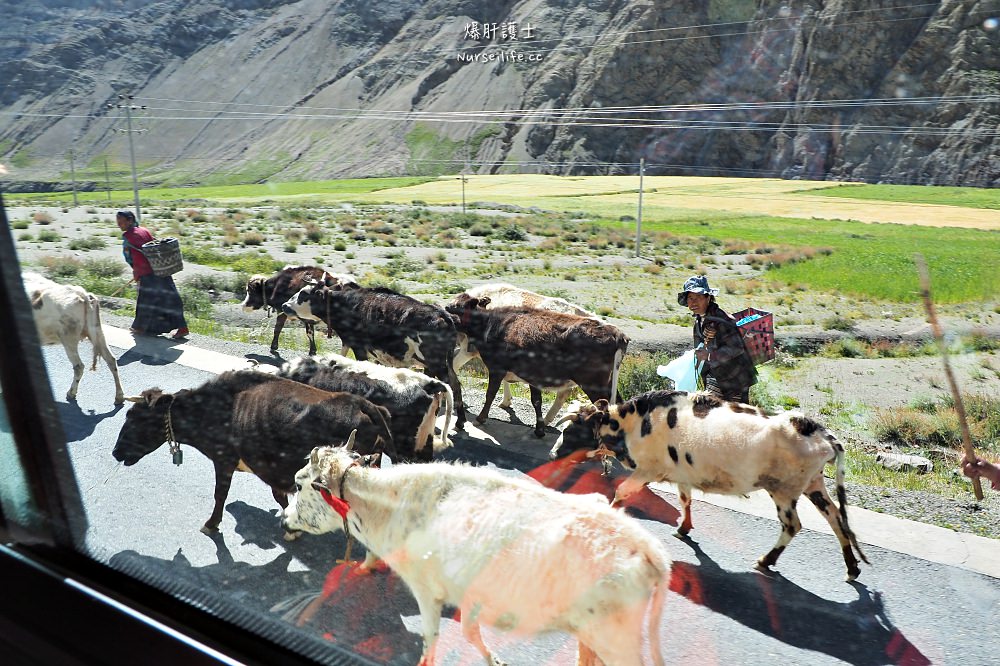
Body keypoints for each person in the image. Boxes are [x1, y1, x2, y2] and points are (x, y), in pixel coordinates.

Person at [677, 275, 757, 403]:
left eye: (698, 297)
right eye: (690, 298)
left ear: (708, 298)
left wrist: (709, 356)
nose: (693, 302)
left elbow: (736, 348)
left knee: (735, 418)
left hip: (735, 380)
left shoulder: (722, 320)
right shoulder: (699, 321)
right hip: (716, 378)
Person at [117, 210, 189, 340]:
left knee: (146, 301)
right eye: (118, 222)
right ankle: (181, 327)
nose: (119, 225)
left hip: (147, 273)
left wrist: (136, 270)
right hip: (161, 268)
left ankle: (140, 327)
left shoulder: (127, 237)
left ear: (130, 220)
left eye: (121, 222)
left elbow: (128, 257)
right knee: (170, 297)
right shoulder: (144, 230)